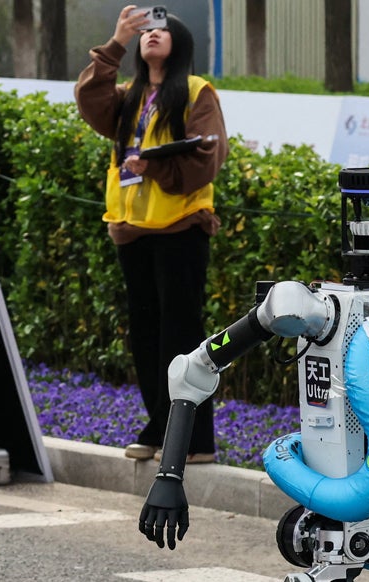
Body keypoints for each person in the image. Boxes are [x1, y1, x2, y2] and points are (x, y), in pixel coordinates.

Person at [75, 5, 228, 464]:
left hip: (181, 228)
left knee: (180, 335)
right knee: (145, 333)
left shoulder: (198, 92)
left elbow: (207, 160)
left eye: (162, 31)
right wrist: (115, 42)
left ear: (180, 43)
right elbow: (89, 99)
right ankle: (167, 429)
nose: (152, 35)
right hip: (133, 230)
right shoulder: (129, 95)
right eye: (146, 32)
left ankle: (184, 434)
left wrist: (154, 165)